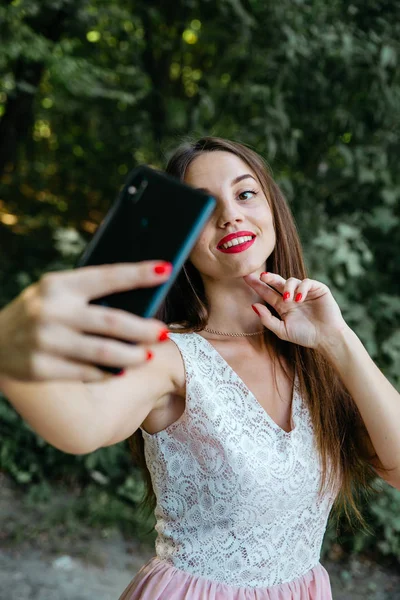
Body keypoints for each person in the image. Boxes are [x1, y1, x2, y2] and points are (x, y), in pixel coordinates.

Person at [1, 137, 399, 600]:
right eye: (205, 206)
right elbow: (83, 424)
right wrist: (9, 355)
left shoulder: (317, 355)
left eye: (245, 193)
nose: (229, 214)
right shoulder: (170, 355)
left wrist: (339, 340)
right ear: (182, 238)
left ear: (273, 208)